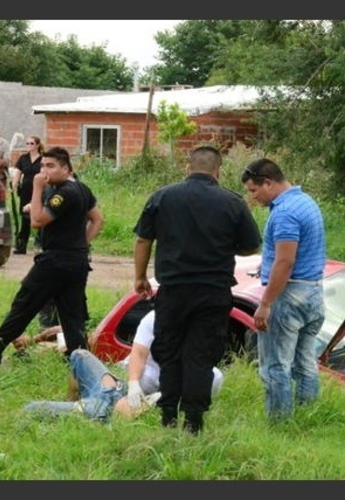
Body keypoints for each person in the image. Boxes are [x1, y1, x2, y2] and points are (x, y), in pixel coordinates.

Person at [132, 145, 261, 434]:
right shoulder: (233, 202)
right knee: (200, 356)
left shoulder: (163, 197)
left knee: (170, 352)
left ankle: (168, 415)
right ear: (218, 171)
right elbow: (252, 244)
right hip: (213, 294)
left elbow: (143, 240)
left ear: (188, 168)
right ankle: (194, 421)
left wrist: (140, 277)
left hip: (173, 291)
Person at [0, 146, 105, 367]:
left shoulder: (63, 193)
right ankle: (80, 362)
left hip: (55, 262)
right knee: (72, 315)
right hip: (75, 262)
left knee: (24, 304)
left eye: (50, 166)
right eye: (42, 166)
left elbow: (37, 221)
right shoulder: (81, 188)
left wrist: (36, 187)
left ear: (66, 168)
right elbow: (98, 220)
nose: (44, 171)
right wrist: (81, 245)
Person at [241, 158, 327, 422]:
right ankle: (307, 416)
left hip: (289, 295)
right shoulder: (306, 202)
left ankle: (279, 423)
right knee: (305, 362)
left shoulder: (285, 212)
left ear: (268, 182)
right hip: (313, 292)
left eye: (254, 190)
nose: (253, 197)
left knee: (276, 365)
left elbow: (286, 261)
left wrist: (265, 303)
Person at [23, 310, 225, 421]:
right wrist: (133, 382)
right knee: (79, 355)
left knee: (31, 408)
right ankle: (76, 401)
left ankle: (79, 408)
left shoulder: (209, 377)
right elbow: (138, 352)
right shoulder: (155, 318)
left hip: (111, 404)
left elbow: (137, 411)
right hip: (116, 386)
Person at [11, 135, 44, 255]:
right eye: (27, 143)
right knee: (24, 217)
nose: (28, 146)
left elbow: (44, 175)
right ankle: (22, 245)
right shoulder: (23, 158)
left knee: (38, 216)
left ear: (37, 145)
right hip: (25, 190)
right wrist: (13, 186)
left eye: (31, 143)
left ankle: (39, 243)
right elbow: (18, 174)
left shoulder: (42, 160)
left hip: (38, 190)